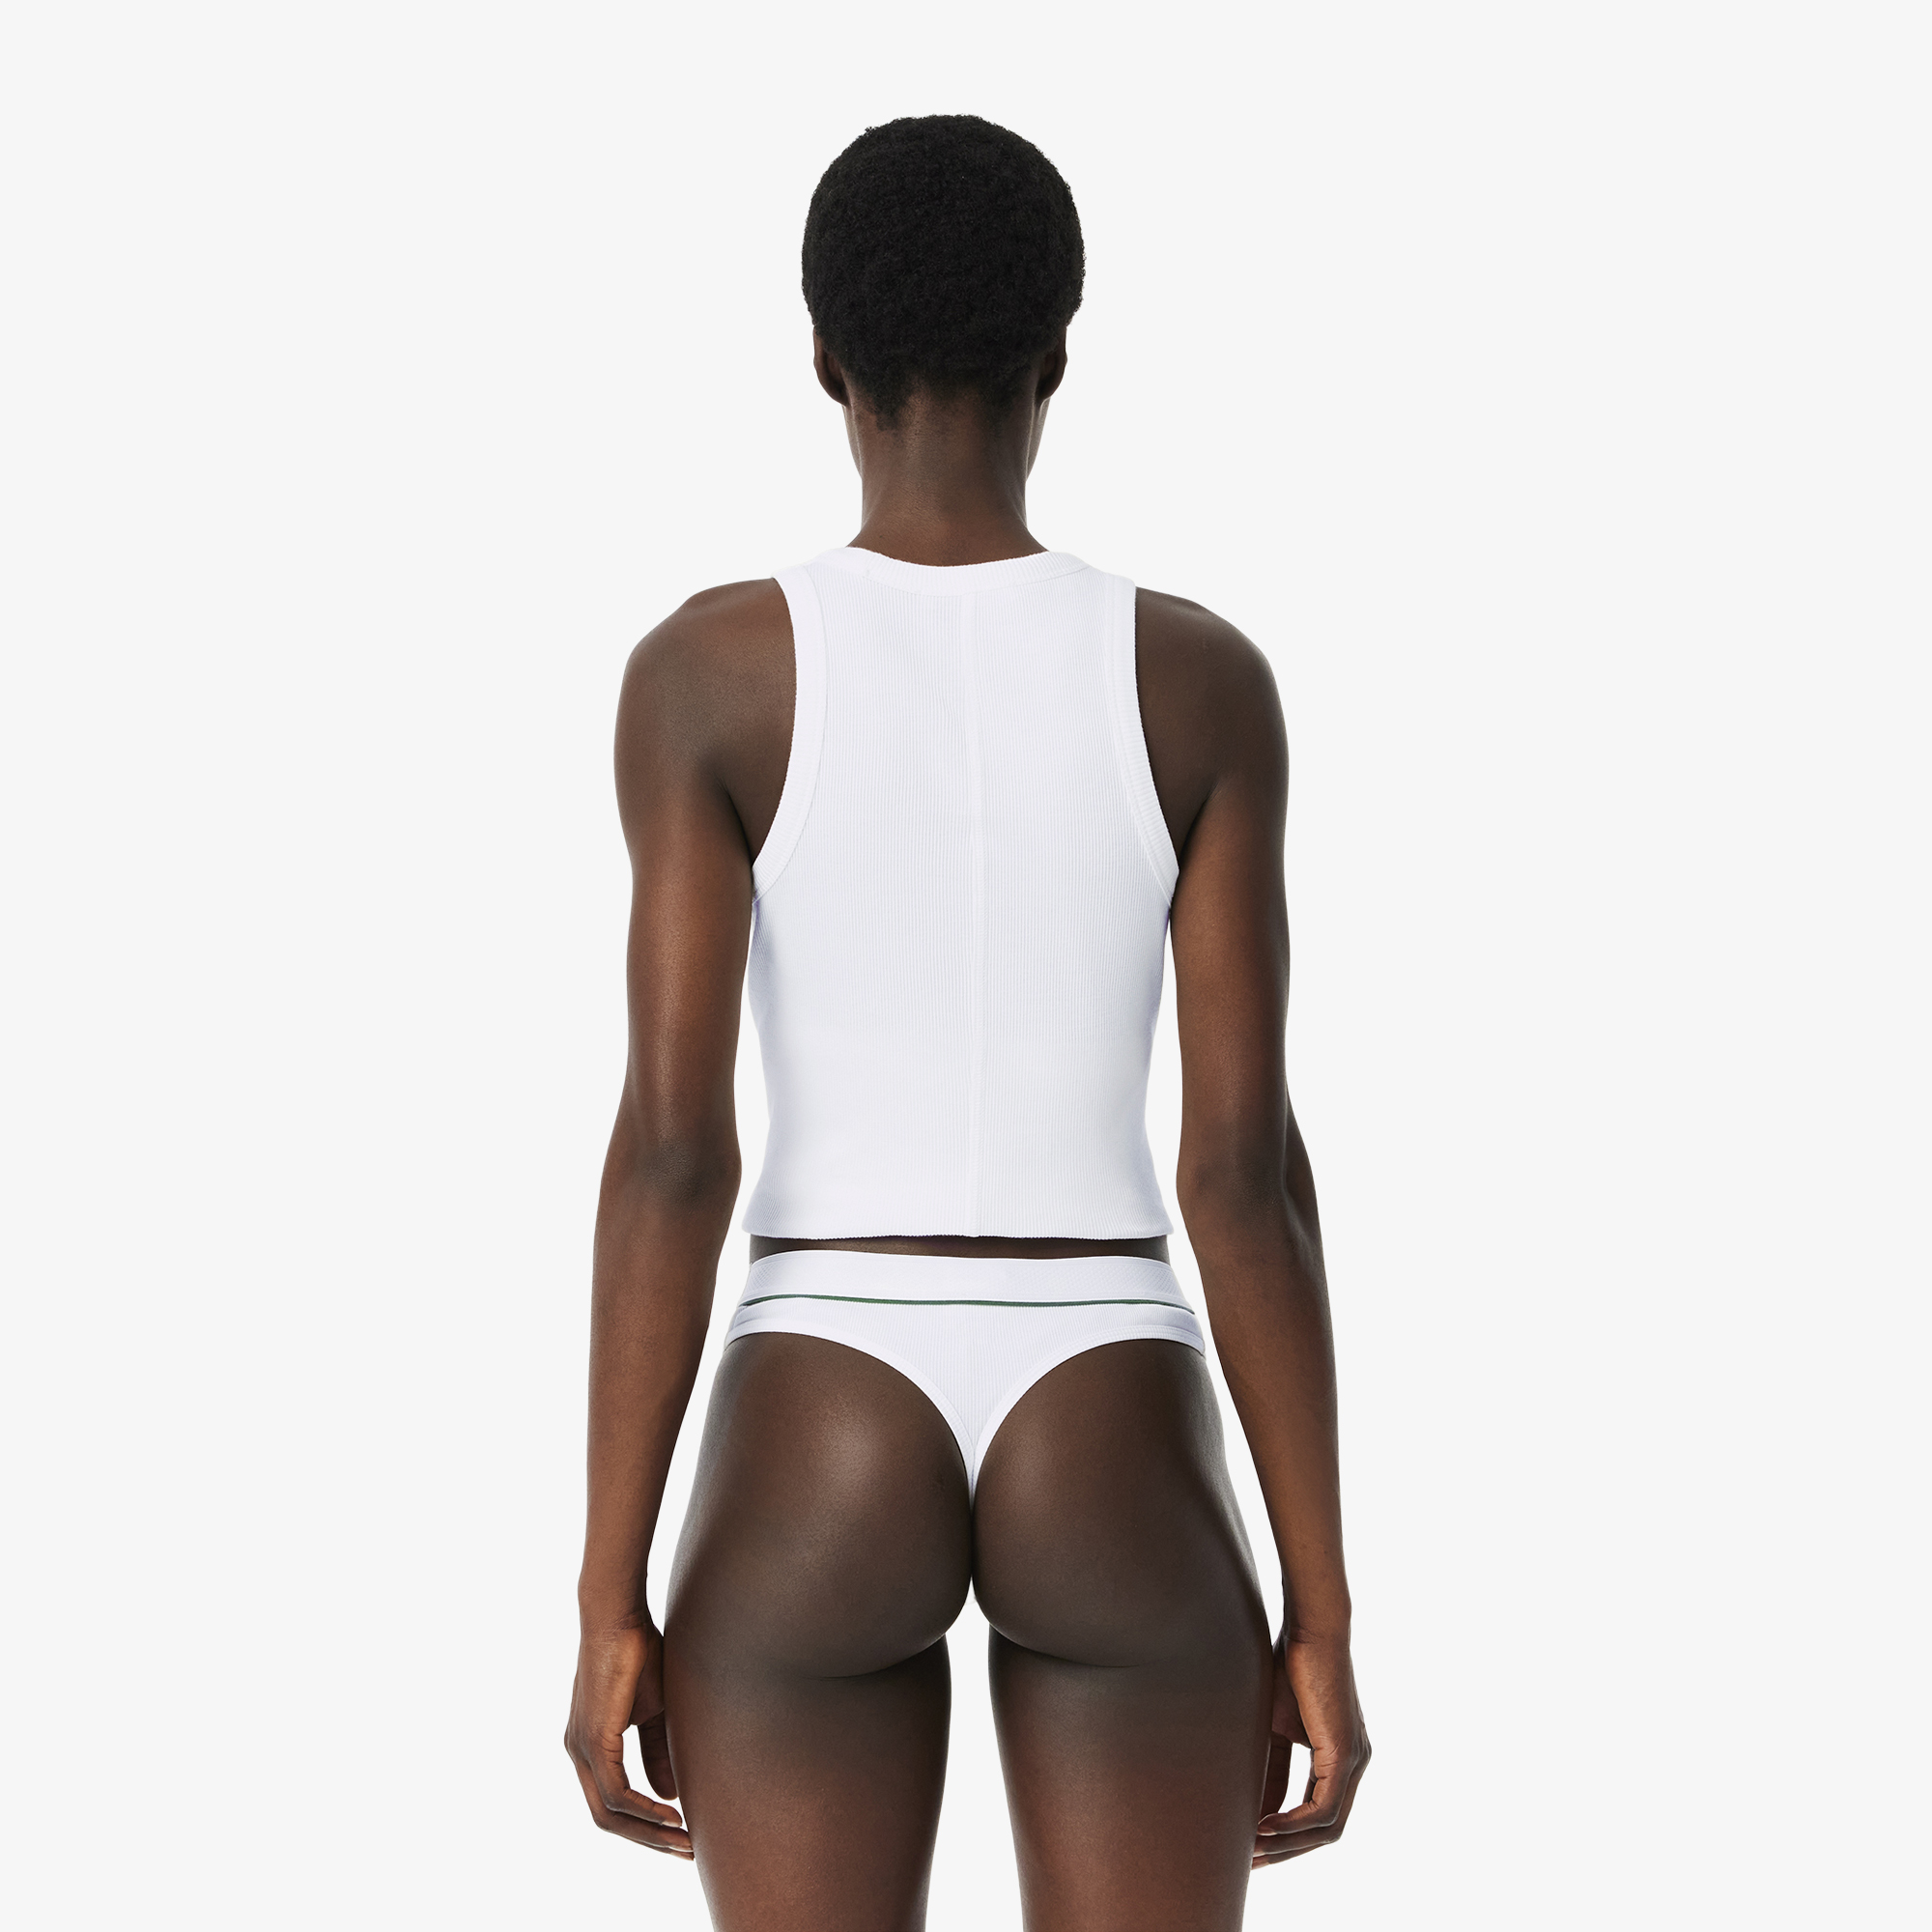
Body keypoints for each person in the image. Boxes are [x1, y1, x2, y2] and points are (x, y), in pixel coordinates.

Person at [564, 113, 1369, 1931]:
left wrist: (610, 1597)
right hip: (1114, 1401)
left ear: (825, 361)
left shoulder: (709, 675)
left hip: (817, 1399)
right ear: (1056, 357)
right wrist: (1320, 1608)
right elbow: (1243, 1176)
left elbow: (675, 1156)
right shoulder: (1201, 681)